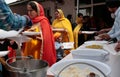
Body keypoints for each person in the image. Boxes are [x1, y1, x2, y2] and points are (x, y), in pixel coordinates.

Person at [22, 1, 56, 66]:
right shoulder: (29, 22)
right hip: (28, 51)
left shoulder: (43, 22)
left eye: (31, 10)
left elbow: (47, 41)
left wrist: (35, 37)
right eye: (28, 11)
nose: (29, 13)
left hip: (38, 52)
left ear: (37, 10)